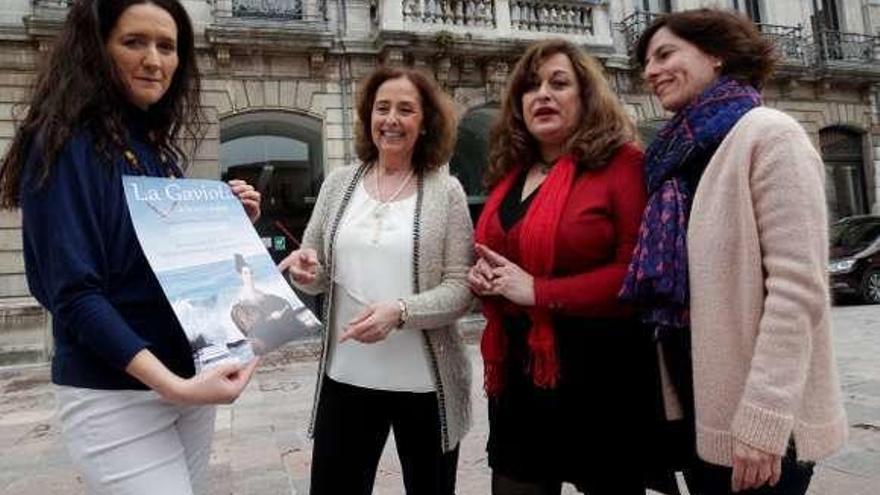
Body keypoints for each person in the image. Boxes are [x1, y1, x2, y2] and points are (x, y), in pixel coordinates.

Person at [0, 1, 261, 493]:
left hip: (186, 384)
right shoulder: (64, 142)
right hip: (116, 394)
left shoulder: (151, 147)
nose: (154, 60)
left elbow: (167, 263)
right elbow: (74, 294)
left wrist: (227, 223)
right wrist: (175, 385)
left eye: (167, 46)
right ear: (95, 49)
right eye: (134, 42)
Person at [622, 8, 848, 494]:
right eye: (646, 62)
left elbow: (797, 291)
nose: (650, 71)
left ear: (717, 55)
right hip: (701, 407)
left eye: (665, 54)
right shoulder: (674, 158)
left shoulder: (770, 135)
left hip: (759, 420)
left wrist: (764, 422)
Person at [468, 39, 653, 494]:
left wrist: (537, 291)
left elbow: (633, 274)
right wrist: (486, 281)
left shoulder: (623, 164)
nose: (542, 95)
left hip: (600, 377)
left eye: (559, 83)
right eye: (530, 87)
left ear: (586, 95)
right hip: (518, 372)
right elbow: (504, 259)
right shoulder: (512, 172)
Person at [278, 67, 473, 495]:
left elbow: (461, 289)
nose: (391, 119)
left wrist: (400, 312)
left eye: (406, 109)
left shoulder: (447, 192)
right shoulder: (337, 185)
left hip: (426, 386)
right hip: (346, 378)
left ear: (425, 123)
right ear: (369, 116)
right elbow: (317, 272)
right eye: (382, 108)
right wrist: (306, 273)